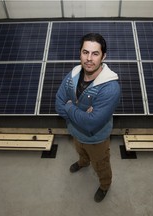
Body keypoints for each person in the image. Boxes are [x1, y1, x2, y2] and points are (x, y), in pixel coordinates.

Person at [55, 33, 121, 202]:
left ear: (103, 56)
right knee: (80, 150)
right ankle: (83, 162)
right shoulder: (73, 75)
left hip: (96, 139)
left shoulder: (110, 87)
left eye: (95, 53)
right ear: (80, 53)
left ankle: (105, 185)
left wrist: (69, 106)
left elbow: (91, 125)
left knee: (101, 164)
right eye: (85, 52)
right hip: (75, 132)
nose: (89, 58)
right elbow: (58, 104)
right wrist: (82, 115)